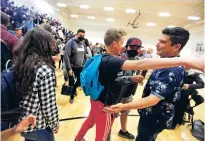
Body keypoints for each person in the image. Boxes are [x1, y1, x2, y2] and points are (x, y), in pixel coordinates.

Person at [75, 28, 203, 141]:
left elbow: (115, 79)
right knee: (102, 135)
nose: (124, 47)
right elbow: (139, 65)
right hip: (106, 104)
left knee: (90, 121)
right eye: (122, 43)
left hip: (96, 99)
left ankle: (78, 138)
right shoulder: (113, 61)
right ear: (115, 44)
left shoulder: (101, 57)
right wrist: (186, 61)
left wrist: (130, 79)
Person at [103, 27, 192, 141]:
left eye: (163, 42)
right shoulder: (163, 62)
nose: (157, 44)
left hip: (154, 117)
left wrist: (123, 106)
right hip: (132, 104)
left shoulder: (170, 69)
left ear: (176, 46)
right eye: (159, 40)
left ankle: (121, 131)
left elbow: (153, 99)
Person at [14, 28, 59, 141]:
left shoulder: (21, 64)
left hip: (23, 122)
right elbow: (48, 105)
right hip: (39, 126)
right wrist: (55, 123)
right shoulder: (44, 70)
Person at [118, 37, 144, 139]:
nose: (134, 49)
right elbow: (115, 79)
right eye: (132, 47)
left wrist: (138, 79)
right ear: (126, 47)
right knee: (112, 115)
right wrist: (132, 78)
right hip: (117, 93)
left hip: (129, 92)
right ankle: (107, 133)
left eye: (137, 48)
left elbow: (137, 74)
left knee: (125, 113)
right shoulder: (119, 59)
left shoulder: (137, 60)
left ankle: (123, 131)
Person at [64, 29, 87, 104]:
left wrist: (85, 65)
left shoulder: (83, 44)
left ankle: (73, 90)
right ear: (77, 34)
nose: (82, 37)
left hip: (81, 67)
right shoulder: (71, 42)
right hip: (72, 67)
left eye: (83, 36)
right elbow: (66, 56)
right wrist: (69, 68)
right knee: (71, 82)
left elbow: (84, 55)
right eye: (80, 35)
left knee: (80, 82)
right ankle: (72, 96)